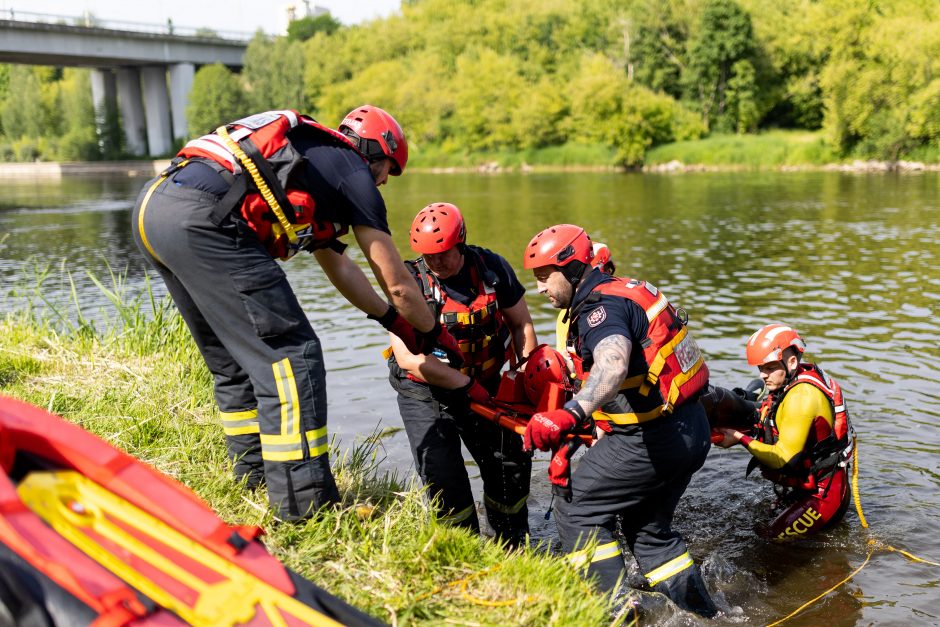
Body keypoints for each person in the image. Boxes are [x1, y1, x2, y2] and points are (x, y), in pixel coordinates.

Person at [131, 106, 460, 522]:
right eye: (388, 171)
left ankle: (252, 477)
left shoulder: (311, 160)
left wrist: (390, 321)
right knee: (292, 358)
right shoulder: (355, 175)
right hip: (205, 219)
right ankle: (305, 507)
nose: (383, 182)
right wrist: (430, 332)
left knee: (234, 362)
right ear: (377, 153)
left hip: (155, 208)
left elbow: (339, 265)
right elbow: (395, 281)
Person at [522, 224, 717, 618]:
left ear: (571, 268)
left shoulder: (599, 309)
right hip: (690, 429)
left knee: (577, 508)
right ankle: (708, 616)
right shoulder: (626, 289)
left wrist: (569, 413)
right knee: (649, 533)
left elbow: (612, 364)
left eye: (544, 277)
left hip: (652, 439)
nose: (540, 288)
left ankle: (612, 612)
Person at [387, 202, 538, 545]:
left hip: (486, 383)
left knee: (509, 465)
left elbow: (521, 324)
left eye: (443, 253)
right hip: (424, 391)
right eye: (428, 255)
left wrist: (525, 375)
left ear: (462, 242)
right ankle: (463, 549)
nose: (436, 262)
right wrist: (466, 386)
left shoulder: (492, 268)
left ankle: (511, 542)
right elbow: (409, 358)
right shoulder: (409, 282)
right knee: (443, 476)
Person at [715, 324, 854, 540]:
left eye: (770, 368)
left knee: (769, 540)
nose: (763, 375)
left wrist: (740, 439)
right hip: (802, 488)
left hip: (824, 497)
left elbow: (783, 459)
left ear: (791, 362)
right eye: (760, 368)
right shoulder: (788, 384)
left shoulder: (802, 397)